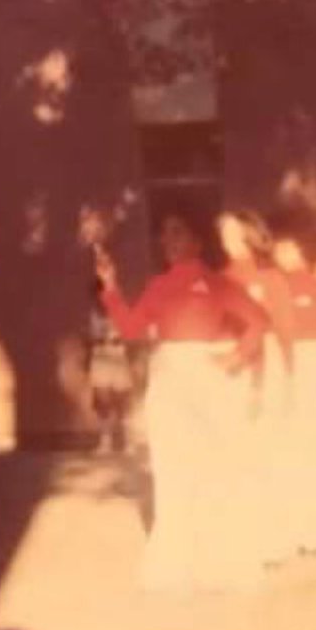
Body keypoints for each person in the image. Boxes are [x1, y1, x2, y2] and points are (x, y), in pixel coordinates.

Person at [95, 213, 270, 593]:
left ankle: (221, 562)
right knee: (173, 465)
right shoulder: (158, 285)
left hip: (206, 377)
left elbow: (258, 320)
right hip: (168, 377)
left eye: (179, 234)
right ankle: (175, 565)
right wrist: (110, 288)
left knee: (214, 465)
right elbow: (131, 328)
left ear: (198, 242)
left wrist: (235, 357)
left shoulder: (217, 283)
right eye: (165, 236)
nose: (169, 242)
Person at [218, 210, 299, 568]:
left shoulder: (271, 279)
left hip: (265, 371)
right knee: (236, 455)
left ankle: (273, 539)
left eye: (235, 233)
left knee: (268, 453)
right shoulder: (218, 279)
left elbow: (284, 331)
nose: (227, 240)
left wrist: (279, 380)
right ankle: (239, 537)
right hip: (230, 369)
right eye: (222, 233)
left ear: (252, 235)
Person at [272, 231, 316, 555]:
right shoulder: (277, 287)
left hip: (313, 360)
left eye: (290, 249)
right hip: (284, 362)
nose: (284, 256)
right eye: (279, 251)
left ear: (302, 252)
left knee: (315, 442)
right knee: (290, 443)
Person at [87, 280, 135, 455]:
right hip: (100, 360)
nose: (101, 298)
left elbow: (130, 334)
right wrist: (99, 339)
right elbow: (91, 337)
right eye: (97, 295)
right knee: (103, 404)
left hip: (118, 359)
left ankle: (129, 442)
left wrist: (119, 339)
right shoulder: (93, 314)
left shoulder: (121, 310)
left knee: (124, 404)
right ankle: (105, 443)